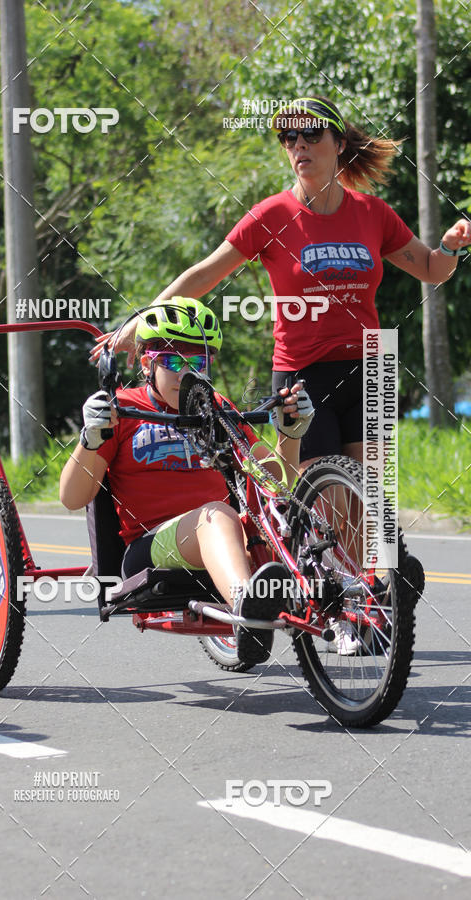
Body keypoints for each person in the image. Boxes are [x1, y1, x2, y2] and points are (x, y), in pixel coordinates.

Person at [93, 96, 470, 473]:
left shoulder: (373, 213)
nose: (298, 144)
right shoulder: (271, 215)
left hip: (371, 367)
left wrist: (449, 247)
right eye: (288, 137)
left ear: (339, 144)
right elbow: (205, 274)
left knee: (373, 511)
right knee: (326, 501)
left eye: (310, 133)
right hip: (303, 372)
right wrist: (138, 323)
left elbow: (432, 269)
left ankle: (372, 532)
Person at [61, 297, 314, 665]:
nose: (186, 373)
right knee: (215, 515)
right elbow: (71, 497)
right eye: (173, 362)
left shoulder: (215, 405)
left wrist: (291, 434)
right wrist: (90, 439)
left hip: (228, 536)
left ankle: (361, 591)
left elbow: (274, 482)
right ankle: (249, 611)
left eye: (198, 362)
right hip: (150, 549)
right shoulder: (121, 409)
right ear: (147, 364)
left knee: (287, 513)